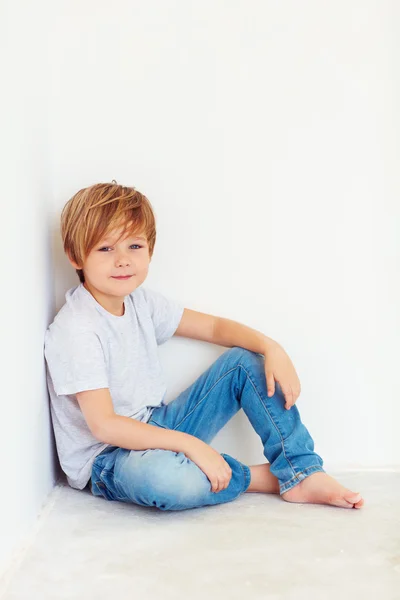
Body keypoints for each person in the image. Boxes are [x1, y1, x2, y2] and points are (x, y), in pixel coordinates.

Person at [44, 181, 364, 511]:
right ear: (75, 256)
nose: (123, 260)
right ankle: (265, 478)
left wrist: (272, 348)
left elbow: (212, 327)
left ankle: (301, 468)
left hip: (156, 426)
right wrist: (191, 446)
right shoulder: (77, 329)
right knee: (166, 482)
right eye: (106, 249)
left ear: (150, 250)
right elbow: (105, 426)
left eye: (134, 246)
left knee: (246, 362)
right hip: (109, 460)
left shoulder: (141, 303)